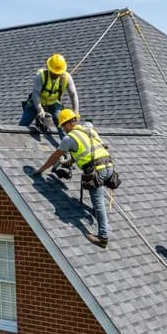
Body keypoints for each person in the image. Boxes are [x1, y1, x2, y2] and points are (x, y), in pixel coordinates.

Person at [33, 109, 115, 247]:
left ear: (69, 123)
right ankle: (96, 216)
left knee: (98, 202)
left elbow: (55, 157)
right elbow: (89, 151)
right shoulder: (89, 131)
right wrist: (69, 162)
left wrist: (41, 170)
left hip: (96, 171)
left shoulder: (69, 138)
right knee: (99, 198)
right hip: (109, 167)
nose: (63, 129)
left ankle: (103, 238)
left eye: (64, 125)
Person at [19, 53, 79, 128]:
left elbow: (73, 94)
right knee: (23, 124)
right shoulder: (40, 76)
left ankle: (64, 139)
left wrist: (75, 111)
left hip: (54, 102)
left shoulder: (67, 78)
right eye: (53, 73)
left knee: (61, 123)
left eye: (58, 73)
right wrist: (40, 110)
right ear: (48, 68)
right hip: (37, 102)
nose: (55, 75)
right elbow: (35, 94)